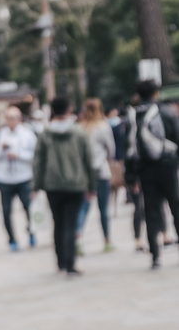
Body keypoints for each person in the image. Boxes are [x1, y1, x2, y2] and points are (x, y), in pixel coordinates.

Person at [32, 97, 94, 276]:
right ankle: (70, 263)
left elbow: (38, 161)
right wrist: (91, 185)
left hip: (52, 185)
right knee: (71, 223)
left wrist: (36, 185)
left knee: (58, 222)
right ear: (68, 110)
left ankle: (60, 261)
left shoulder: (45, 134)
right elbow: (88, 160)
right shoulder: (79, 133)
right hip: (76, 184)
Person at [124, 80, 179, 269]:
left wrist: (130, 175)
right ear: (156, 92)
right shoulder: (166, 112)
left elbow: (129, 148)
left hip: (145, 169)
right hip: (167, 166)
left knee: (151, 211)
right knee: (175, 206)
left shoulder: (132, 115)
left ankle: (155, 255)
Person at [0, 106, 36, 251]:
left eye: (13, 118)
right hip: (4, 179)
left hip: (24, 177)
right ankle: (12, 239)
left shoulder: (28, 134)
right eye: (8, 118)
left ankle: (32, 232)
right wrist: (1, 150)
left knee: (28, 208)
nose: (10, 121)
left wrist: (17, 154)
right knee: (6, 211)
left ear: (19, 119)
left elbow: (35, 155)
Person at [75, 98, 116, 253]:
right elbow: (111, 150)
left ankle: (78, 237)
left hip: (85, 172)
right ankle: (107, 240)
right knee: (103, 208)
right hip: (101, 170)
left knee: (83, 206)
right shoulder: (103, 127)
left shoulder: (80, 128)